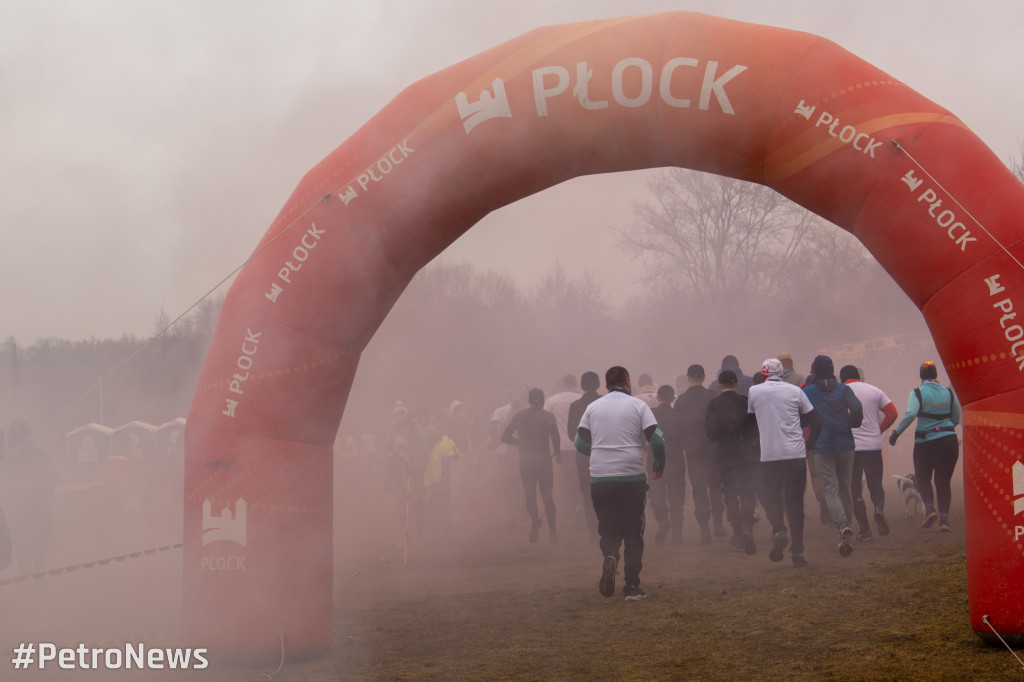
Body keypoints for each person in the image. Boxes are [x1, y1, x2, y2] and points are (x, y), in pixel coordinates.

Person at [575, 366, 665, 601]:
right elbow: (656, 438)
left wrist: (597, 454)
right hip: (631, 477)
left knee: (608, 525)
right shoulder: (638, 405)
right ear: (628, 381)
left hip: (601, 478)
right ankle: (632, 587)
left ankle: (610, 555)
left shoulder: (592, 407)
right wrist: (659, 464)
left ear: (606, 386)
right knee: (634, 533)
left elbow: (578, 441)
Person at [748, 358, 821, 567]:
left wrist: (757, 448)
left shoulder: (754, 392)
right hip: (795, 454)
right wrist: (809, 447)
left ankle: (779, 529)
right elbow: (817, 422)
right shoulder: (796, 392)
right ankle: (797, 551)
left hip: (769, 455)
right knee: (795, 502)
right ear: (782, 372)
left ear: (763, 374)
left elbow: (752, 425)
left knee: (772, 497)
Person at [888, 361, 962, 531]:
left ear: (921, 376)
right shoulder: (949, 393)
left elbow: (911, 414)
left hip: (925, 442)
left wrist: (896, 433)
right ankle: (944, 521)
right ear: (936, 375)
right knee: (943, 481)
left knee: (922, 477)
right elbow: (956, 418)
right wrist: (943, 428)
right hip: (948, 441)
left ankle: (929, 510)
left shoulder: (917, 393)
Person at [802, 355, 864, 557]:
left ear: (814, 372)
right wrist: (853, 423)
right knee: (845, 487)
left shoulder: (807, 392)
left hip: (821, 446)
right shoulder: (844, 389)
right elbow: (856, 408)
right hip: (845, 444)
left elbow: (799, 415)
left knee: (830, 489)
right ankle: (848, 527)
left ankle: (843, 526)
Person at [704, 370, 761, 555]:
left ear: (719, 384)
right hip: (745, 451)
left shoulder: (714, 405)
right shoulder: (746, 402)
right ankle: (747, 526)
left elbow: (711, 434)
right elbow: (755, 428)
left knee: (730, 494)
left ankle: (737, 531)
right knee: (747, 491)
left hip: (725, 454)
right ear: (736, 383)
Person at [840, 365, 899, 541]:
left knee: (855, 489)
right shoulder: (875, 390)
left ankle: (864, 530)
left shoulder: (840, 392)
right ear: (858, 376)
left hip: (850, 448)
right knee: (875, 484)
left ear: (842, 378)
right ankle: (879, 510)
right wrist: (878, 430)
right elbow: (892, 413)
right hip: (873, 446)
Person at [674, 363, 726, 543]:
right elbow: (720, 422)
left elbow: (677, 427)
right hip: (712, 447)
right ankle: (718, 524)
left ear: (688, 378)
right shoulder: (712, 396)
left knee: (699, 488)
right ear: (704, 378)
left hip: (692, 448)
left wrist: (683, 444)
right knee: (715, 486)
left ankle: (704, 527)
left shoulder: (681, 401)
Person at [502, 388, 561, 543]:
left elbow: (504, 437)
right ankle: (553, 533)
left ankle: (535, 518)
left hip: (526, 460)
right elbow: (554, 434)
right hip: (543, 460)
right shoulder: (548, 416)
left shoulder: (519, 416)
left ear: (529, 400)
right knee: (547, 496)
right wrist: (558, 451)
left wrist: (520, 443)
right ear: (542, 400)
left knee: (530, 495)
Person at [0, 419, 57, 575]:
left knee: (38, 551)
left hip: (37, 511)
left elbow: (51, 479)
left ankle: (40, 586)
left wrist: (36, 491)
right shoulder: (6, 459)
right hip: (16, 514)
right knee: (22, 553)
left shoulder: (39, 456)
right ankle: (25, 584)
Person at [544, 374, 582, 532]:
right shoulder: (582, 398)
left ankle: (570, 511)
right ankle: (580, 507)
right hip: (581, 447)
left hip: (560, 448)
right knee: (581, 479)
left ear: (562, 384)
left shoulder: (552, 401)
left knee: (564, 480)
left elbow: (545, 423)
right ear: (576, 384)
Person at [649, 384, 687, 545]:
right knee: (677, 497)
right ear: (673, 399)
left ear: (658, 398)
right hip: (675, 459)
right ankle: (677, 534)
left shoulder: (650, 414)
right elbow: (685, 437)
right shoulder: (679, 415)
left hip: (655, 459)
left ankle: (663, 519)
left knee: (656, 494)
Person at [567, 371, 602, 539]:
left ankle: (593, 531)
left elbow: (570, 433)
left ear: (581, 386)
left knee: (588, 494)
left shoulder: (575, 406)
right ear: (598, 384)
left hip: (584, 456)